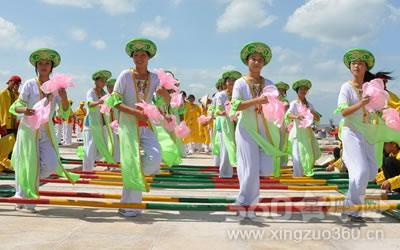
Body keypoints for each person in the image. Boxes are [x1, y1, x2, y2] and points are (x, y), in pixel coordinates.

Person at [105, 38, 171, 217]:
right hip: (128, 125)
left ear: (149, 58)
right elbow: (114, 101)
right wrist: (135, 113)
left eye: (143, 55)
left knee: (154, 159)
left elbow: (160, 103)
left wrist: (165, 96)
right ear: (132, 58)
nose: (140, 58)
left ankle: (128, 197)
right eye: (136, 55)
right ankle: (130, 206)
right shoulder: (125, 76)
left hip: (148, 125)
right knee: (132, 163)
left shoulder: (155, 78)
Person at [9, 48, 79, 211]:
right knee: (27, 162)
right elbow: (16, 106)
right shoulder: (30, 84)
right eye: (41, 63)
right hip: (28, 129)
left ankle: (28, 182)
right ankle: (25, 196)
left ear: (52, 66)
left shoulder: (57, 87)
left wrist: (63, 97)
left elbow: (65, 113)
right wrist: (24, 110)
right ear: (36, 66)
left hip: (46, 130)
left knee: (51, 163)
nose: (44, 66)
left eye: (47, 63)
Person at [336, 48, 400, 222]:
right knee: (361, 171)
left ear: (365, 68)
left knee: (371, 172)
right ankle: (352, 210)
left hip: (368, 133)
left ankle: (350, 206)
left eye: (361, 63)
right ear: (350, 67)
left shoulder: (371, 89)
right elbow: (343, 112)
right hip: (351, 132)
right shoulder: (346, 87)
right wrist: (361, 103)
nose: (357, 65)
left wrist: (385, 114)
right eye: (354, 63)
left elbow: (377, 110)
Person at [230, 41, 285, 218]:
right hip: (246, 129)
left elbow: (274, 103)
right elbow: (236, 105)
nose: (256, 62)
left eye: (260, 60)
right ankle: (246, 203)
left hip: (265, 130)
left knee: (267, 167)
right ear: (247, 61)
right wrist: (257, 101)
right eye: (253, 59)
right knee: (249, 168)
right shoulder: (240, 82)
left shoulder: (268, 83)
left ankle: (247, 200)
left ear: (264, 63)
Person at [286, 79, 321, 177]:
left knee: (308, 155)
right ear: (297, 91)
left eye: (305, 89)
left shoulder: (310, 104)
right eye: (301, 89)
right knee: (297, 156)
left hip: (307, 134)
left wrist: (312, 112)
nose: (303, 91)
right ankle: (298, 177)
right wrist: (297, 117)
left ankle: (306, 175)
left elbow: (318, 118)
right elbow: (288, 115)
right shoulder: (294, 104)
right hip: (297, 134)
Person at [82, 70, 115, 171]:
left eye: (105, 81)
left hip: (102, 124)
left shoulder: (104, 93)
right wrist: (99, 102)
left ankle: (99, 162)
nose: (104, 83)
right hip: (91, 124)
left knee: (103, 148)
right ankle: (87, 171)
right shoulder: (91, 92)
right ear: (96, 81)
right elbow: (89, 104)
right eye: (101, 80)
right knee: (90, 148)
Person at [215, 70, 241, 177]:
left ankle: (238, 171)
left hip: (237, 123)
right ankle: (225, 173)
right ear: (225, 82)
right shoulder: (221, 95)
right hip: (225, 124)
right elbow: (217, 111)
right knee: (226, 149)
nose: (231, 83)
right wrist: (228, 112)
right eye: (229, 81)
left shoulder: (238, 95)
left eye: (234, 81)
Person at [275, 81, 290, 167]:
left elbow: (285, 107)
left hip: (282, 124)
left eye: (282, 90)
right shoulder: (272, 101)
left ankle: (283, 163)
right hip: (273, 124)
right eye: (279, 90)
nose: (280, 92)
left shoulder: (285, 101)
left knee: (282, 143)